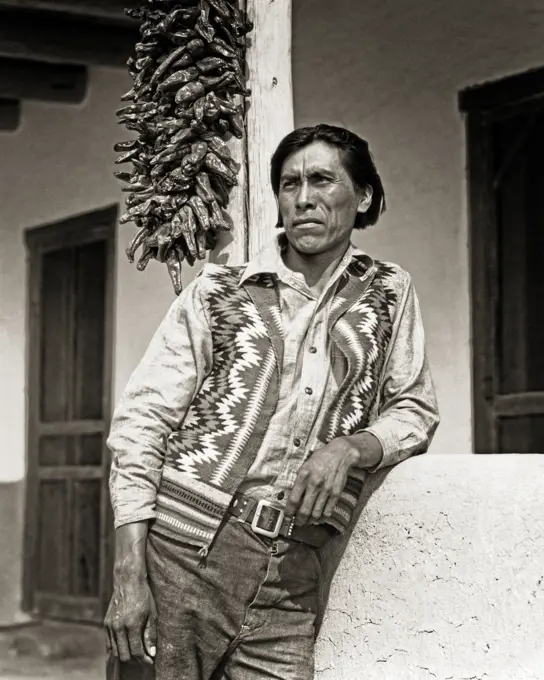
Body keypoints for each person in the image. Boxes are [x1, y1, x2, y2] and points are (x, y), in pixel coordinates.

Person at [104, 123, 440, 680]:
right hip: (185, 555)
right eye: (289, 184)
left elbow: (414, 407)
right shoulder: (218, 291)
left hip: (294, 572)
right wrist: (129, 571)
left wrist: (351, 449)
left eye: (322, 181)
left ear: (363, 197)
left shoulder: (389, 290)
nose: (303, 198)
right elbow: (143, 423)